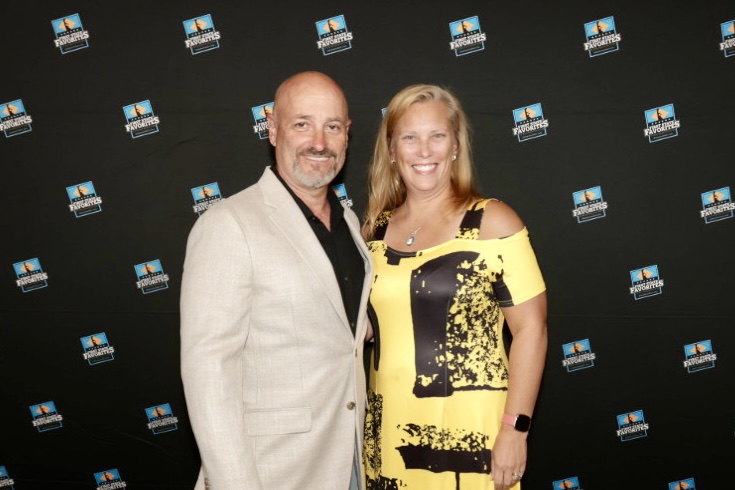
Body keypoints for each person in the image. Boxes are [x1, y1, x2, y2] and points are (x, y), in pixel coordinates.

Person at [180, 71, 373, 490]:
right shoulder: (229, 224)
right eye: (302, 124)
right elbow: (208, 372)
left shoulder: (349, 223)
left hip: (350, 462)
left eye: (332, 127)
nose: (319, 142)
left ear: (347, 135)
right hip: (272, 472)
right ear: (272, 129)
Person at [361, 84, 547, 490]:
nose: (424, 151)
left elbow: (531, 330)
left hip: (475, 431)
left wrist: (515, 429)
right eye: (410, 138)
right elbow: (367, 327)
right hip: (388, 431)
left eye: (437, 136)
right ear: (391, 150)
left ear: (456, 146)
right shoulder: (374, 232)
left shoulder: (493, 222)